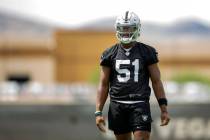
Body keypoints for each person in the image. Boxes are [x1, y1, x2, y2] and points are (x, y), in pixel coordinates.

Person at [95, 11, 170, 140]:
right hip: (117, 105)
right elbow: (103, 84)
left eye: (129, 28)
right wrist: (98, 111)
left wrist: (163, 108)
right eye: (123, 28)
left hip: (139, 104)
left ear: (137, 29)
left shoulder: (147, 52)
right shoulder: (109, 53)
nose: (126, 32)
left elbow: (157, 81)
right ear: (117, 29)